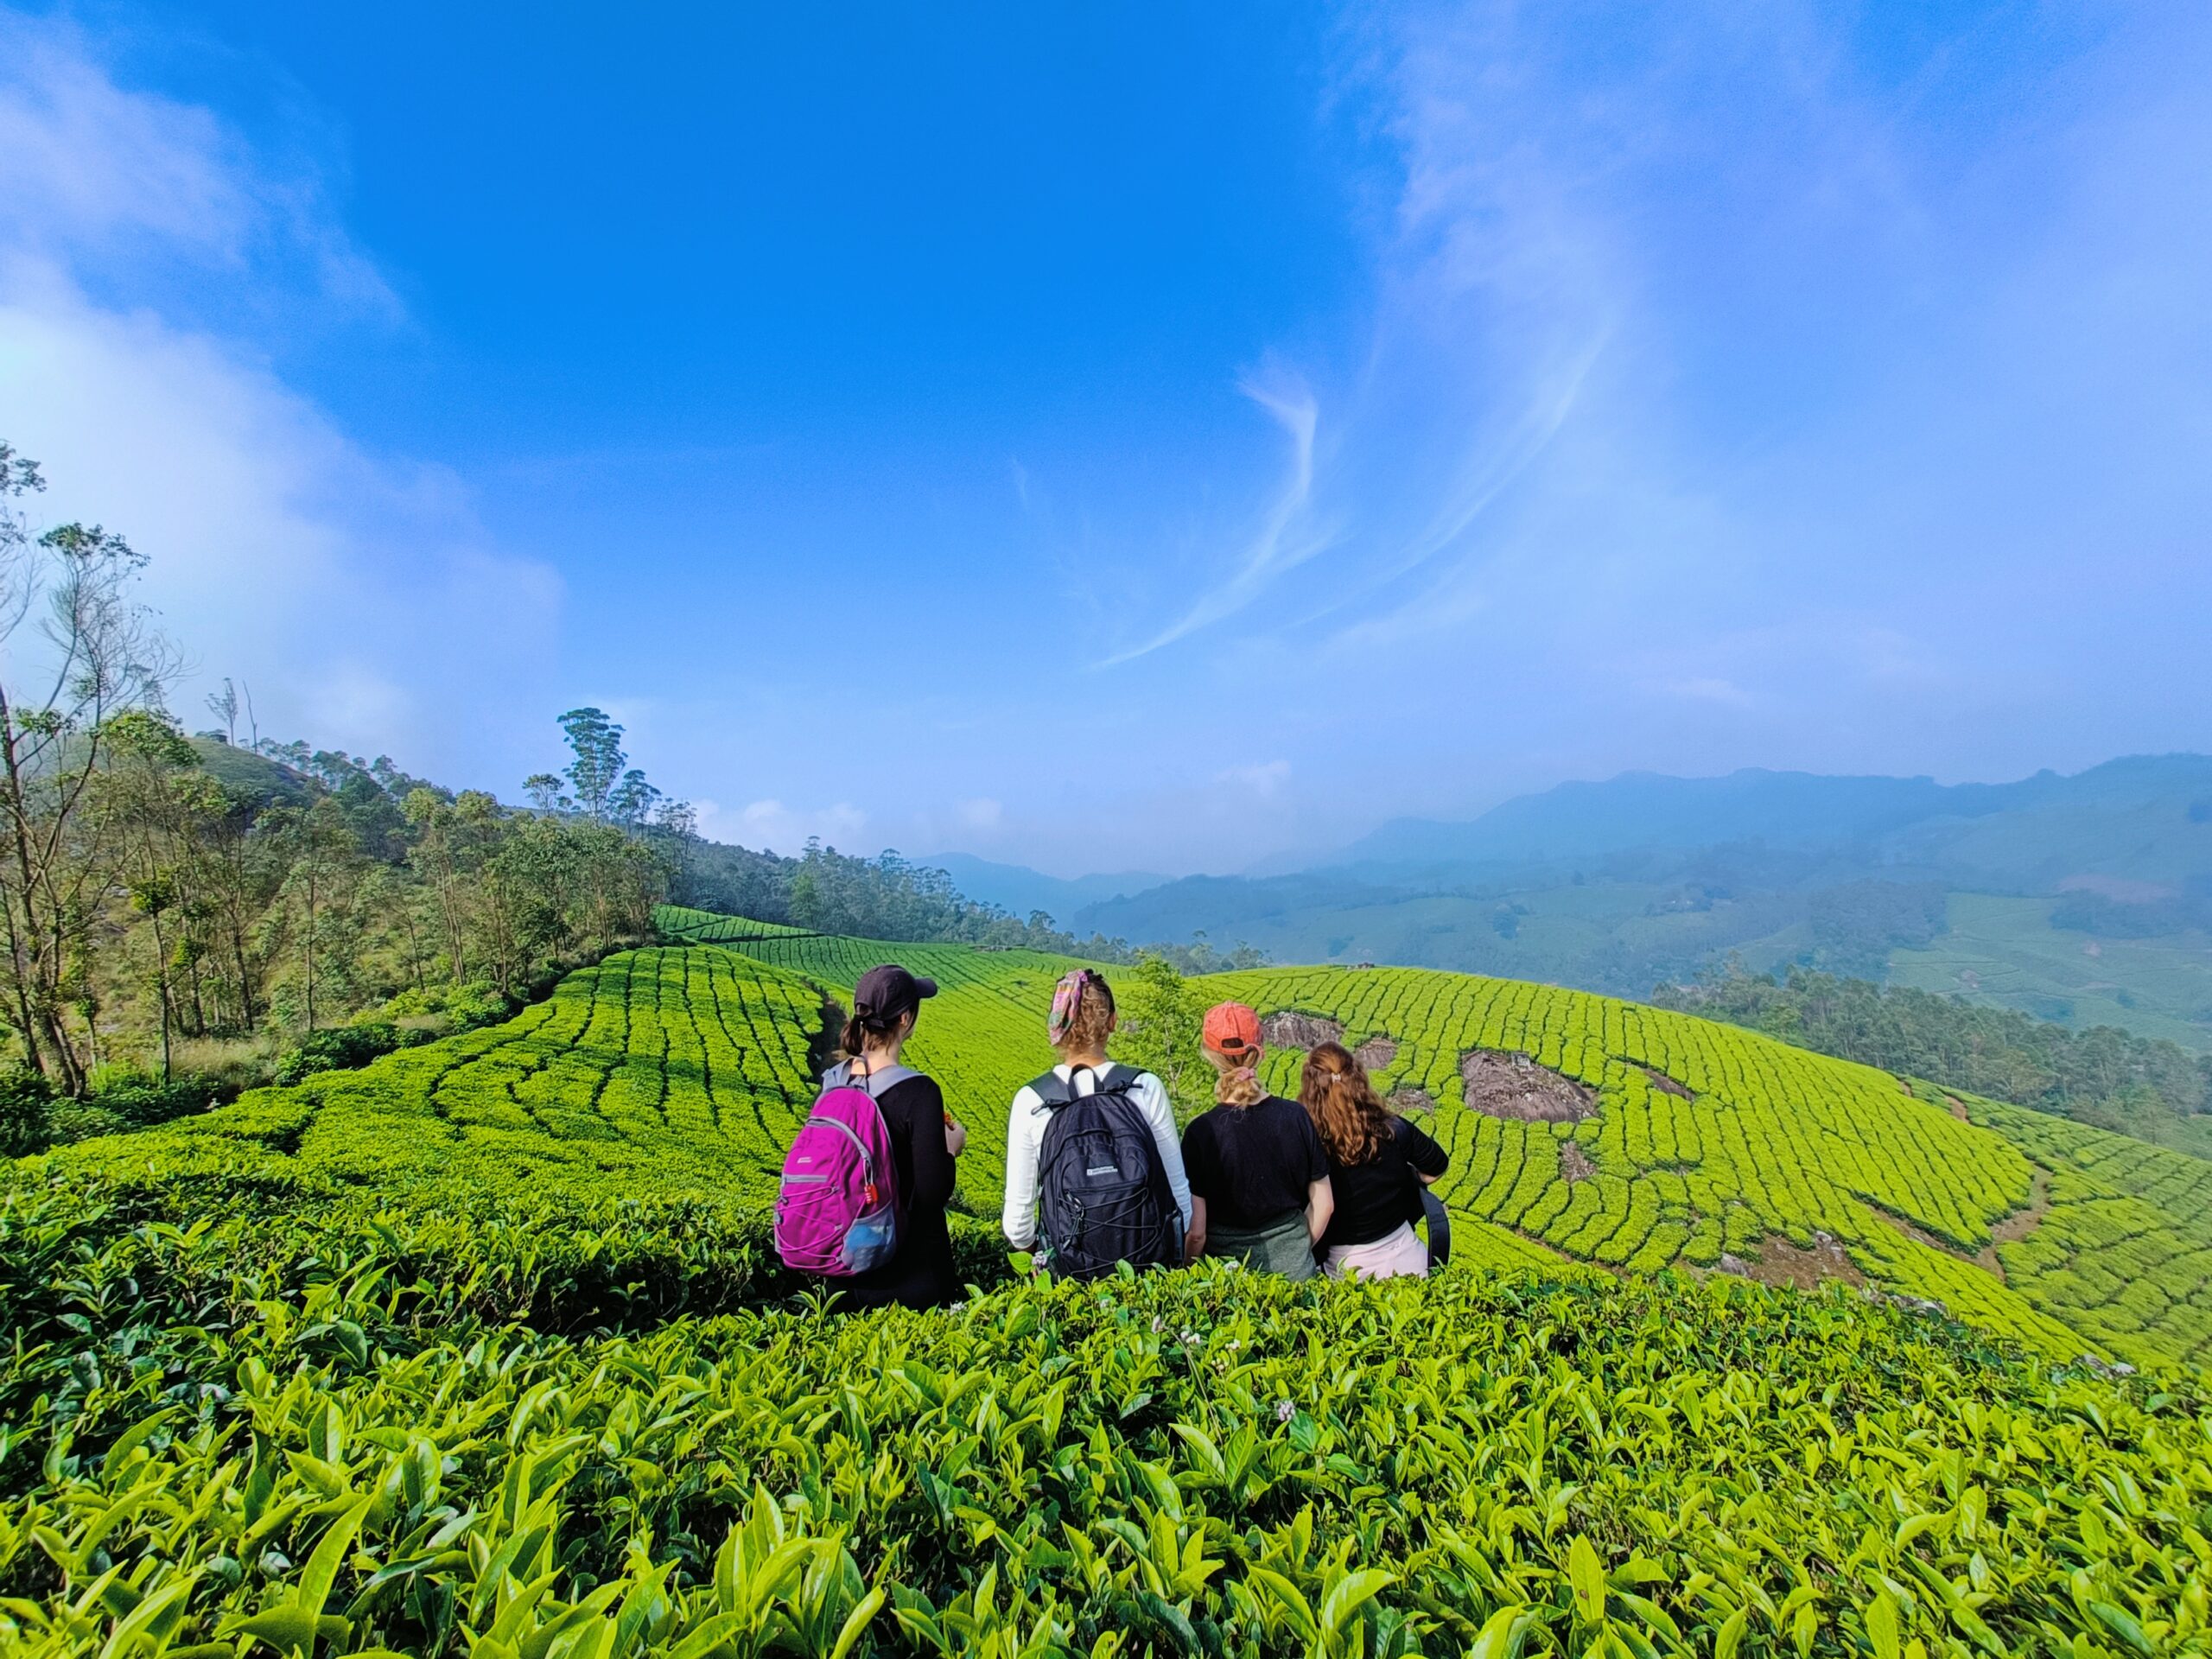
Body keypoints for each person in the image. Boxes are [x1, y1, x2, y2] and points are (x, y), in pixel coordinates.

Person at [1002, 968, 1192, 1273]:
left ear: (1058, 1028)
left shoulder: (1032, 1100)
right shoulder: (1144, 1087)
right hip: (1147, 1274)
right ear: (1112, 1022)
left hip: (1069, 1282)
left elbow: (1018, 1226)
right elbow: (1180, 1201)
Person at [821, 963, 967, 1311]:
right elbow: (932, 1192)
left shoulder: (834, 1081)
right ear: (905, 1019)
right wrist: (951, 1149)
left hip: (843, 1276)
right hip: (909, 1280)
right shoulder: (919, 1092)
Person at [1180, 1002, 1333, 1278]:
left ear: (1210, 1055)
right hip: (1295, 1274)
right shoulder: (1295, 1116)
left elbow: (1197, 1234)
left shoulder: (1201, 1132)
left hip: (1228, 1281)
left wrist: (1187, 1274)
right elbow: (1324, 1204)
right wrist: (1296, 1253)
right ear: (1259, 1050)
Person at [1300, 1041, 1449, 1280]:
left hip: (1346, 1270)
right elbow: (1437, 1166)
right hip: (1411, 1260)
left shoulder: (1310, 1145)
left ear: (1310, 1090)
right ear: (1357, 1079)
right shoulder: (1393, 1128)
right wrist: (1407, 1179)